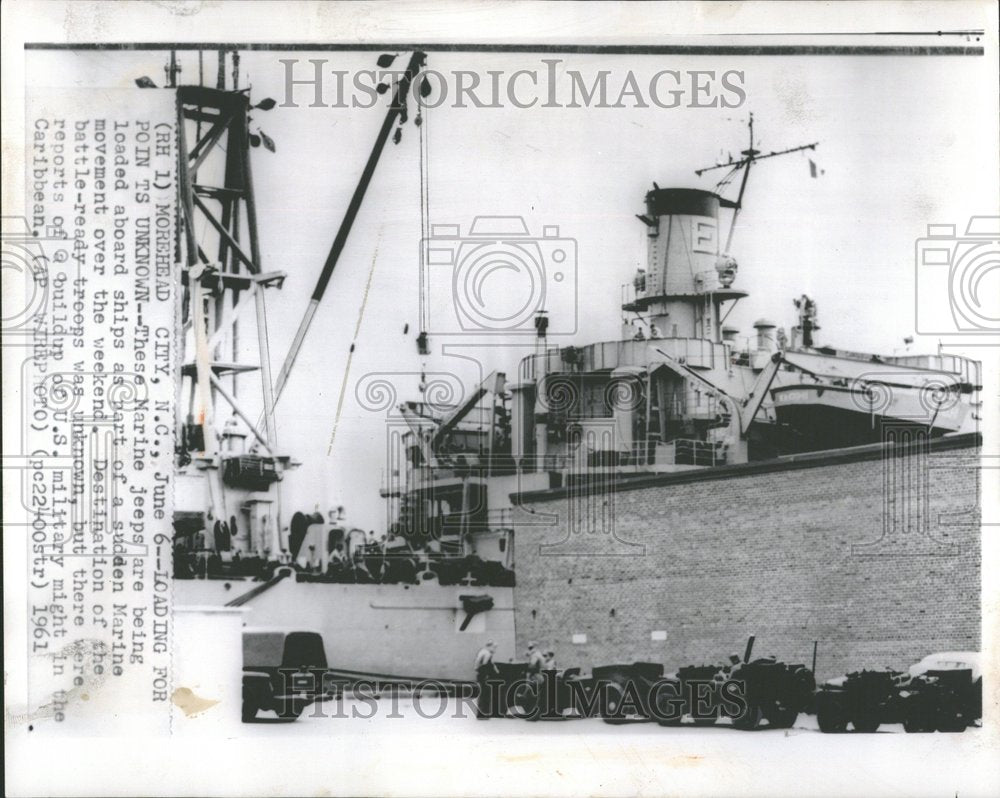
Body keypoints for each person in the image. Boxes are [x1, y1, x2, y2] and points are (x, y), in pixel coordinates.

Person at [474, 641, 499, 719]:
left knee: (482, 694)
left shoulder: (482, 651)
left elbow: (478, 665)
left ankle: (481, 713)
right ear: (490, 646)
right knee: (485, 695)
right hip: (484, 676)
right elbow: (485, 665)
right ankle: (484, 713)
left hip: (480, 675)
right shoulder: (487, 654)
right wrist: (492, 673)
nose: (495, 649)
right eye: (494, 647)